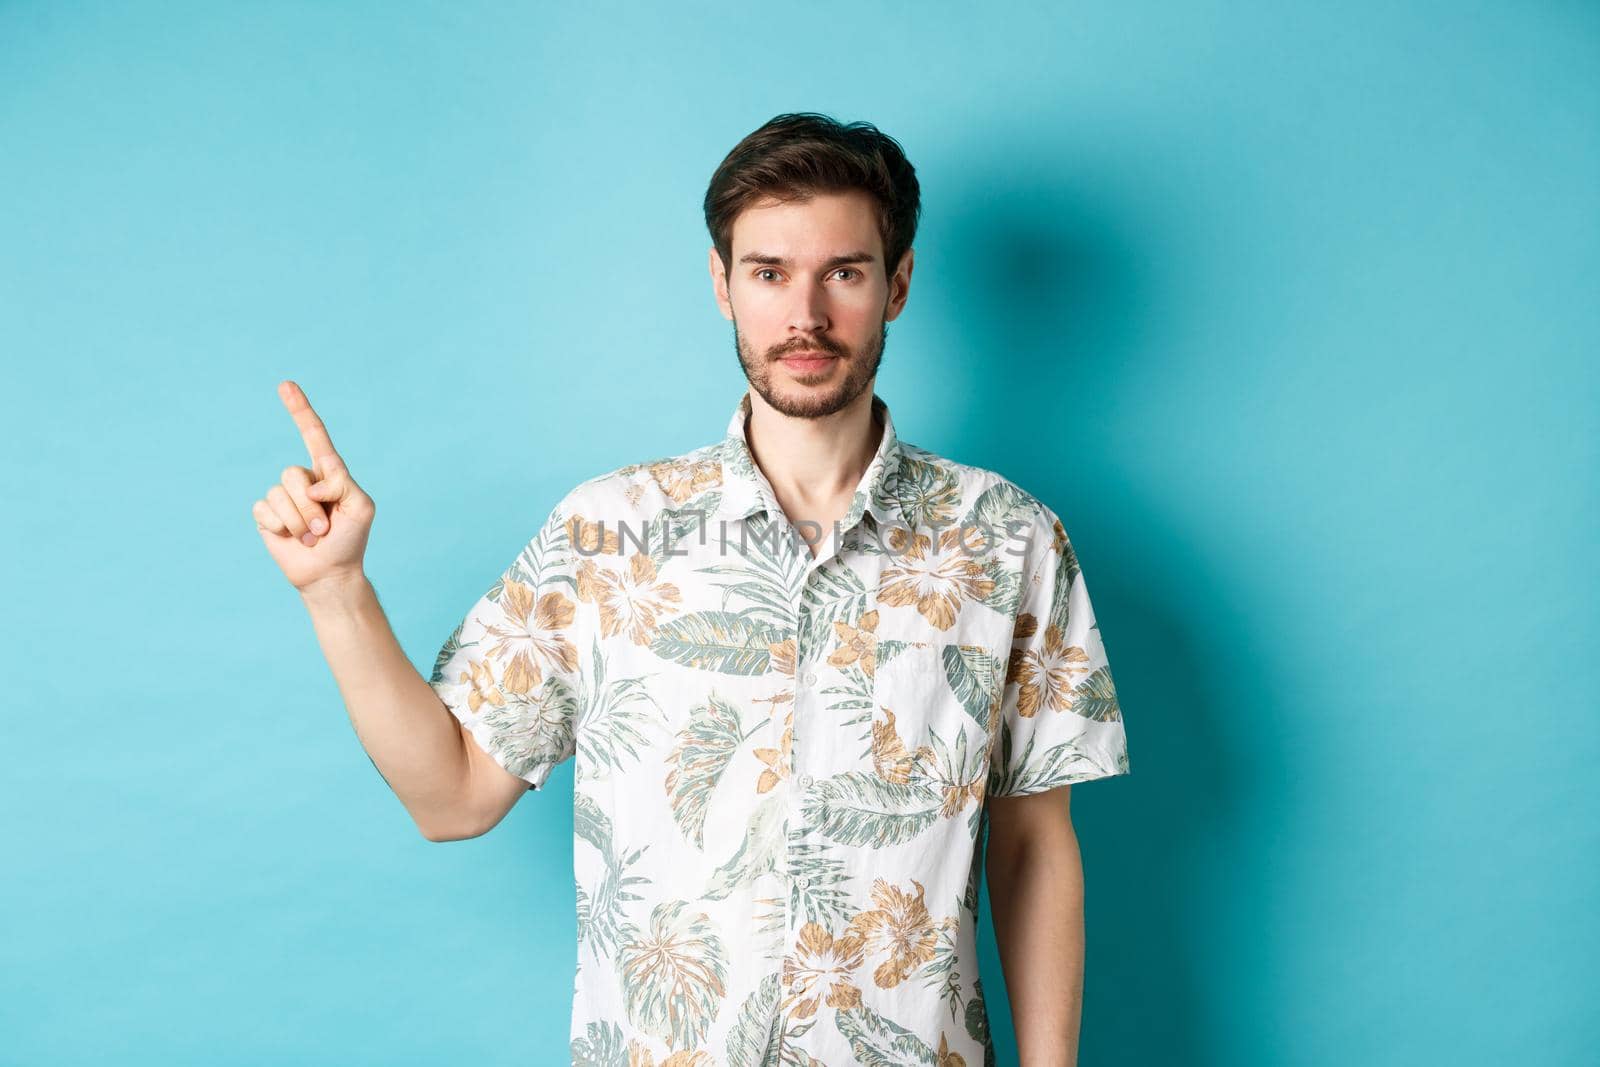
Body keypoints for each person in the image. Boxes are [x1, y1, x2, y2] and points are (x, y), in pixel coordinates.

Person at [254, 112, 1130, 1066]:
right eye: (768, 273)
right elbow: (452, 798)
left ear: (899, 283)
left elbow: (1034, 846)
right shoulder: (606, 534)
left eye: (844, 271)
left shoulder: (1008, 539)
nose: (806, 314)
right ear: (722, 286)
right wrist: (337, 589)